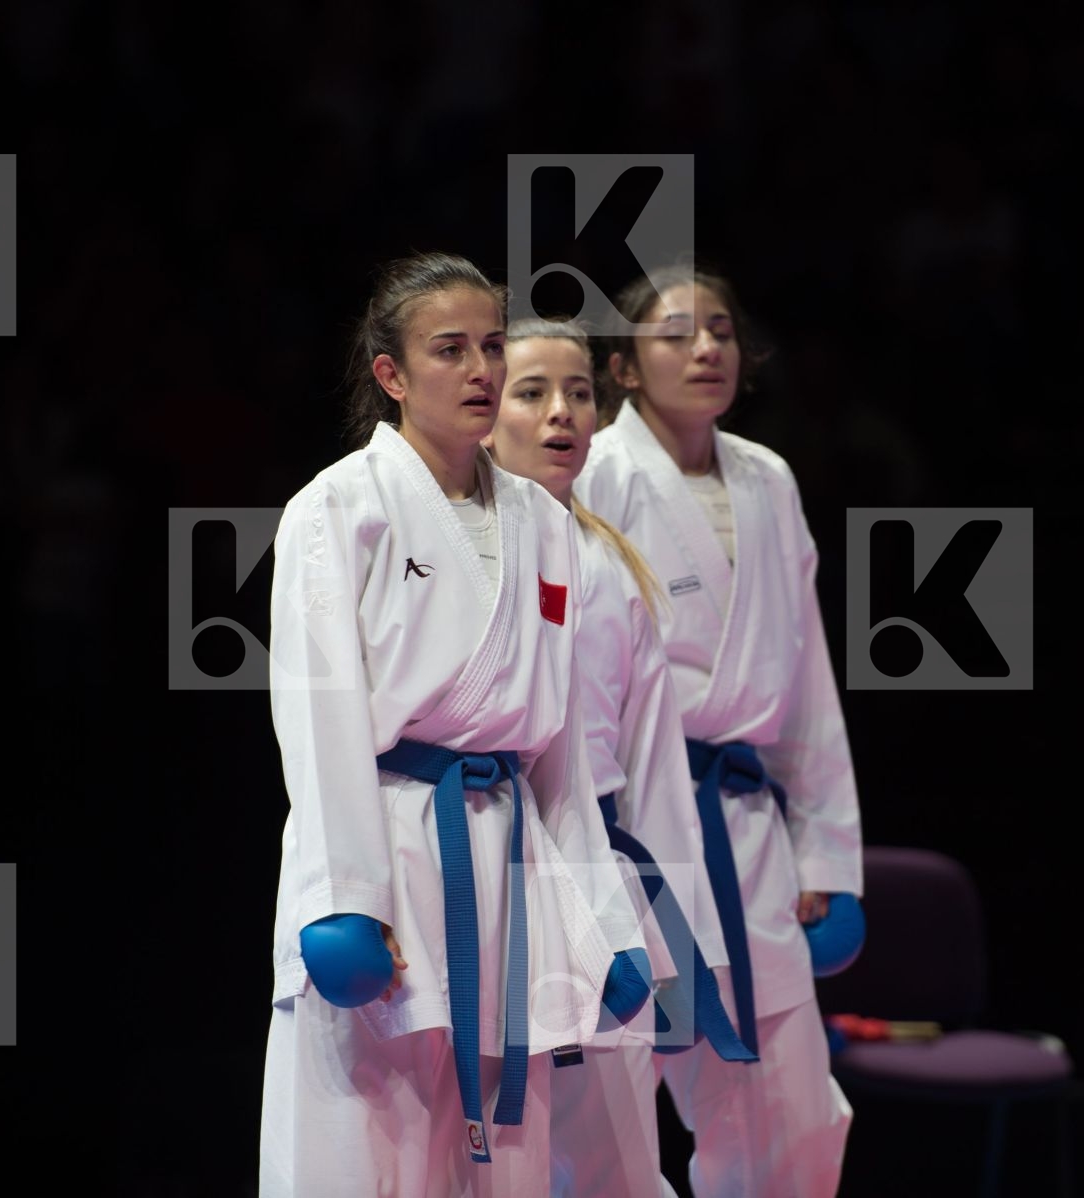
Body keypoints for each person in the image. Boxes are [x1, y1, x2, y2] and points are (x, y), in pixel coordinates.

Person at [258, 254, 650, 1198]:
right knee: (367, 1147)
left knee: (504, 1156)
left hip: (508, 854)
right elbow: (321, 720)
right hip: (389, 845)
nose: (480, 370)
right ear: (391, 376)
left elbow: (555, 743)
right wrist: (342, 899)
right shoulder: (338, 508)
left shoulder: (542, 522)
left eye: (491, 346)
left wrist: (605, 915)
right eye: (450, 350)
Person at [575, 266, 863, 1196]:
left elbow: (807, 675)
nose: (707, 350)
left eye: (723, 331)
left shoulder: (768, 478)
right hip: (629, 835)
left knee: (790, 1116)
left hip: (743, 827)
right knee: (604, 1121)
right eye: (677, 335)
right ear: (622, 366)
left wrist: (829, 860)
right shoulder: (596, 471)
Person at [482, 318, 752, 1198]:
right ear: (485, 411)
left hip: (604, 878)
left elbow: (655, 772)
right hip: (491, 867)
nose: (562, 414)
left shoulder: (610, 563)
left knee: (622, 1166)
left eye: (580, 393)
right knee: (490, 1154)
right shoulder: (459, 550)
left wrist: (686, 945)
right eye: (533, 393)